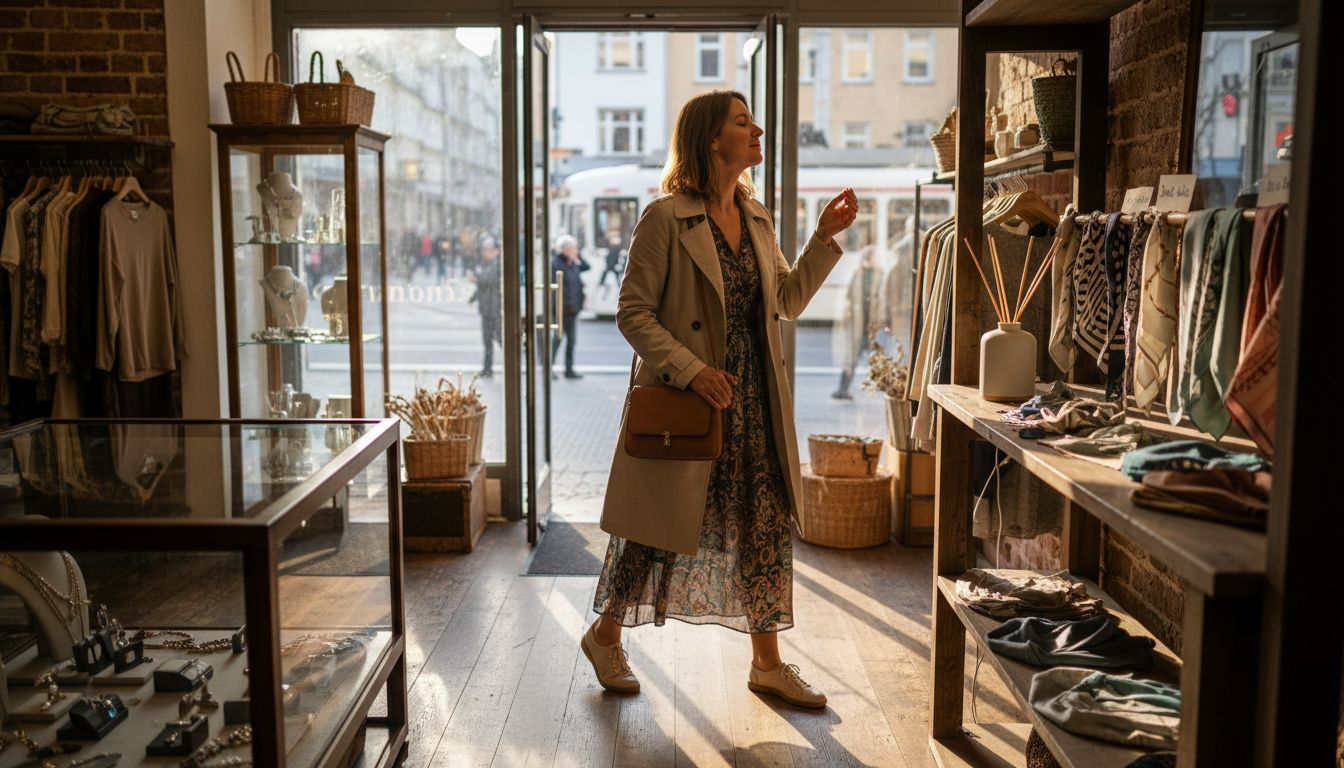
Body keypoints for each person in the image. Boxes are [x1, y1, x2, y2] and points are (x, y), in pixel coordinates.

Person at [584, 90, 857, 708]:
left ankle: (767, 664)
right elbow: (633, 313)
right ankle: (604, 637)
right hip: (691, 400)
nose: (756, 130)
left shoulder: (757, 218)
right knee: (654, 528)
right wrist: (691, 371)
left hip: (753, 403)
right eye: (742, 122)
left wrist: (822, 238)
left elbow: (785, 301)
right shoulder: (664, 218)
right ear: (711, 139)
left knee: (763, 525)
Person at [831, 245, 883, 400]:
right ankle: (844, 389)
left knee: (865, 356)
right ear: (869, 259)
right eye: (875, 257)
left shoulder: (868, 274)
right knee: (860, 357)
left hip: (868, 325)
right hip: (863, 325)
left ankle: (844, 388)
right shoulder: (868, 275)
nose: (878, 260)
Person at [550, 233, 589, 379]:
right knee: (557, 340)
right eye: (574, 248)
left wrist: (577, 256)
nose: (576, 251)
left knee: (571, 341)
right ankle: (549, 368)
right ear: (565, 249)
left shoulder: (572, 263)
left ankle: (569, 369)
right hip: (561, 309)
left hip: (572, 309)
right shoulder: (556, 264)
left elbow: (587, 266)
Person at [469, 236, 502, 378]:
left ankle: (513, 363)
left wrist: (477, 278)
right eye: (485, 250)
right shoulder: (485, 264)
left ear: (496, 251)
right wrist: (473, 298)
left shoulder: (498, 264)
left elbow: (488, 280)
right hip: (487, 308)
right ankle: (487, 368)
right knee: (487, 341)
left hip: (495, 308)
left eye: (489, 250)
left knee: (500, 339)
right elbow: (482, 286)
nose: (486, 252)